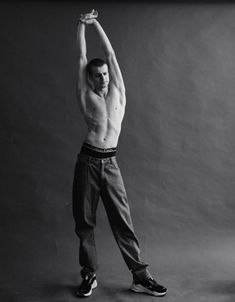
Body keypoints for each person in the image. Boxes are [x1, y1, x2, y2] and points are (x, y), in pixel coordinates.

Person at [73, 9, 167, 298]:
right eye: (96, 75)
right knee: (85, 222)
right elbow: (81, 57)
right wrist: (81, 26)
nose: (102, 79)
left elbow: (111, 55)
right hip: (88, 161)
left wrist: (96, 23)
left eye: (104, 74)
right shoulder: (86, 95)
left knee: (123, 223)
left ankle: (140, 277)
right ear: (89, 78)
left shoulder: (119, 93)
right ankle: (89, 275)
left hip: (110, 164)